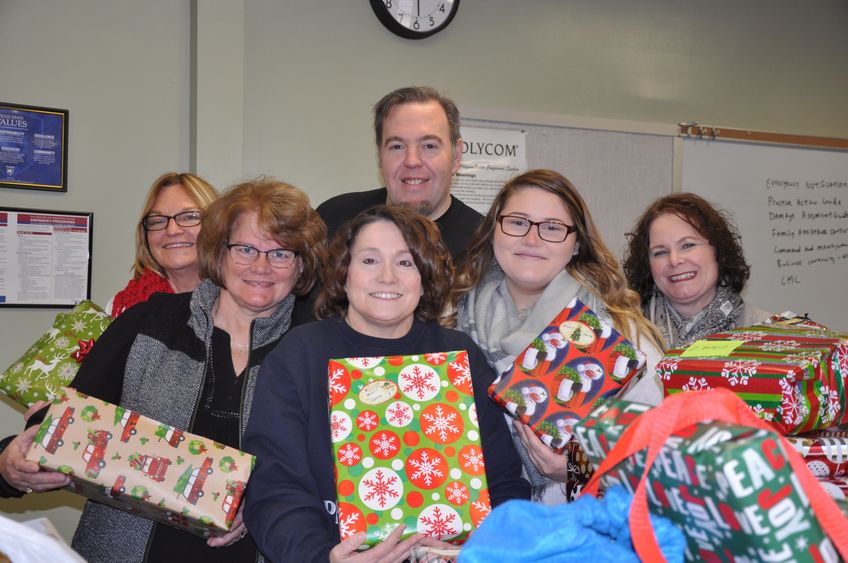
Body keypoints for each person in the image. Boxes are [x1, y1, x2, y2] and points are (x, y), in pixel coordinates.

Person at [0, 178, 326, 563]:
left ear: (301, 264)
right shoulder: (148, 323)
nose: (261, 266)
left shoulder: (315, 349)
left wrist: (261, 505)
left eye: (281, 254)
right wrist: (9, 463)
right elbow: (65, 426)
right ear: (217, 253)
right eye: (245, 249)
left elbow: (331, 474)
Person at [244, 206, 530, 562]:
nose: (387, 277)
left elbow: (504, 482)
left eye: (405, 262)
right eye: (369, 260)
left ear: (424, 276)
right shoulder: (300, 355)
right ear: (344, 273)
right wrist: (323, 558)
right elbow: (273, 488)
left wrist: (479, 549)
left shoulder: (460, 356)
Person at [451, 169, 665, 504]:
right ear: (495, 230)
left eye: (552, 228)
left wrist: (577, 468)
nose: (531, 239)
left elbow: (664, 461)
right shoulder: (452, 325)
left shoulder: (618, 334)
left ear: (577, 243)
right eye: (518, 222)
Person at [316, 86, 481, 260]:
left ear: (456, 156)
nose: (412, 161)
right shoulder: (333, 219)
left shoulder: (485, 244)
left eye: (429, 146)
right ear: (380, 156)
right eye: (397, 146)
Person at [623, 192, 770, 349]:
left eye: (688, 245)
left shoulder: (767, 335)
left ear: (718, 250)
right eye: (660, 252)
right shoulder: (625, 335)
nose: (674, 260)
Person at [107, 172, 219, 317]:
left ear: (217, 225)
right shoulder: (121, 309)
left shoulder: (241, 305)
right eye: (158, 220)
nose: (172, 230)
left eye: (189, 217)